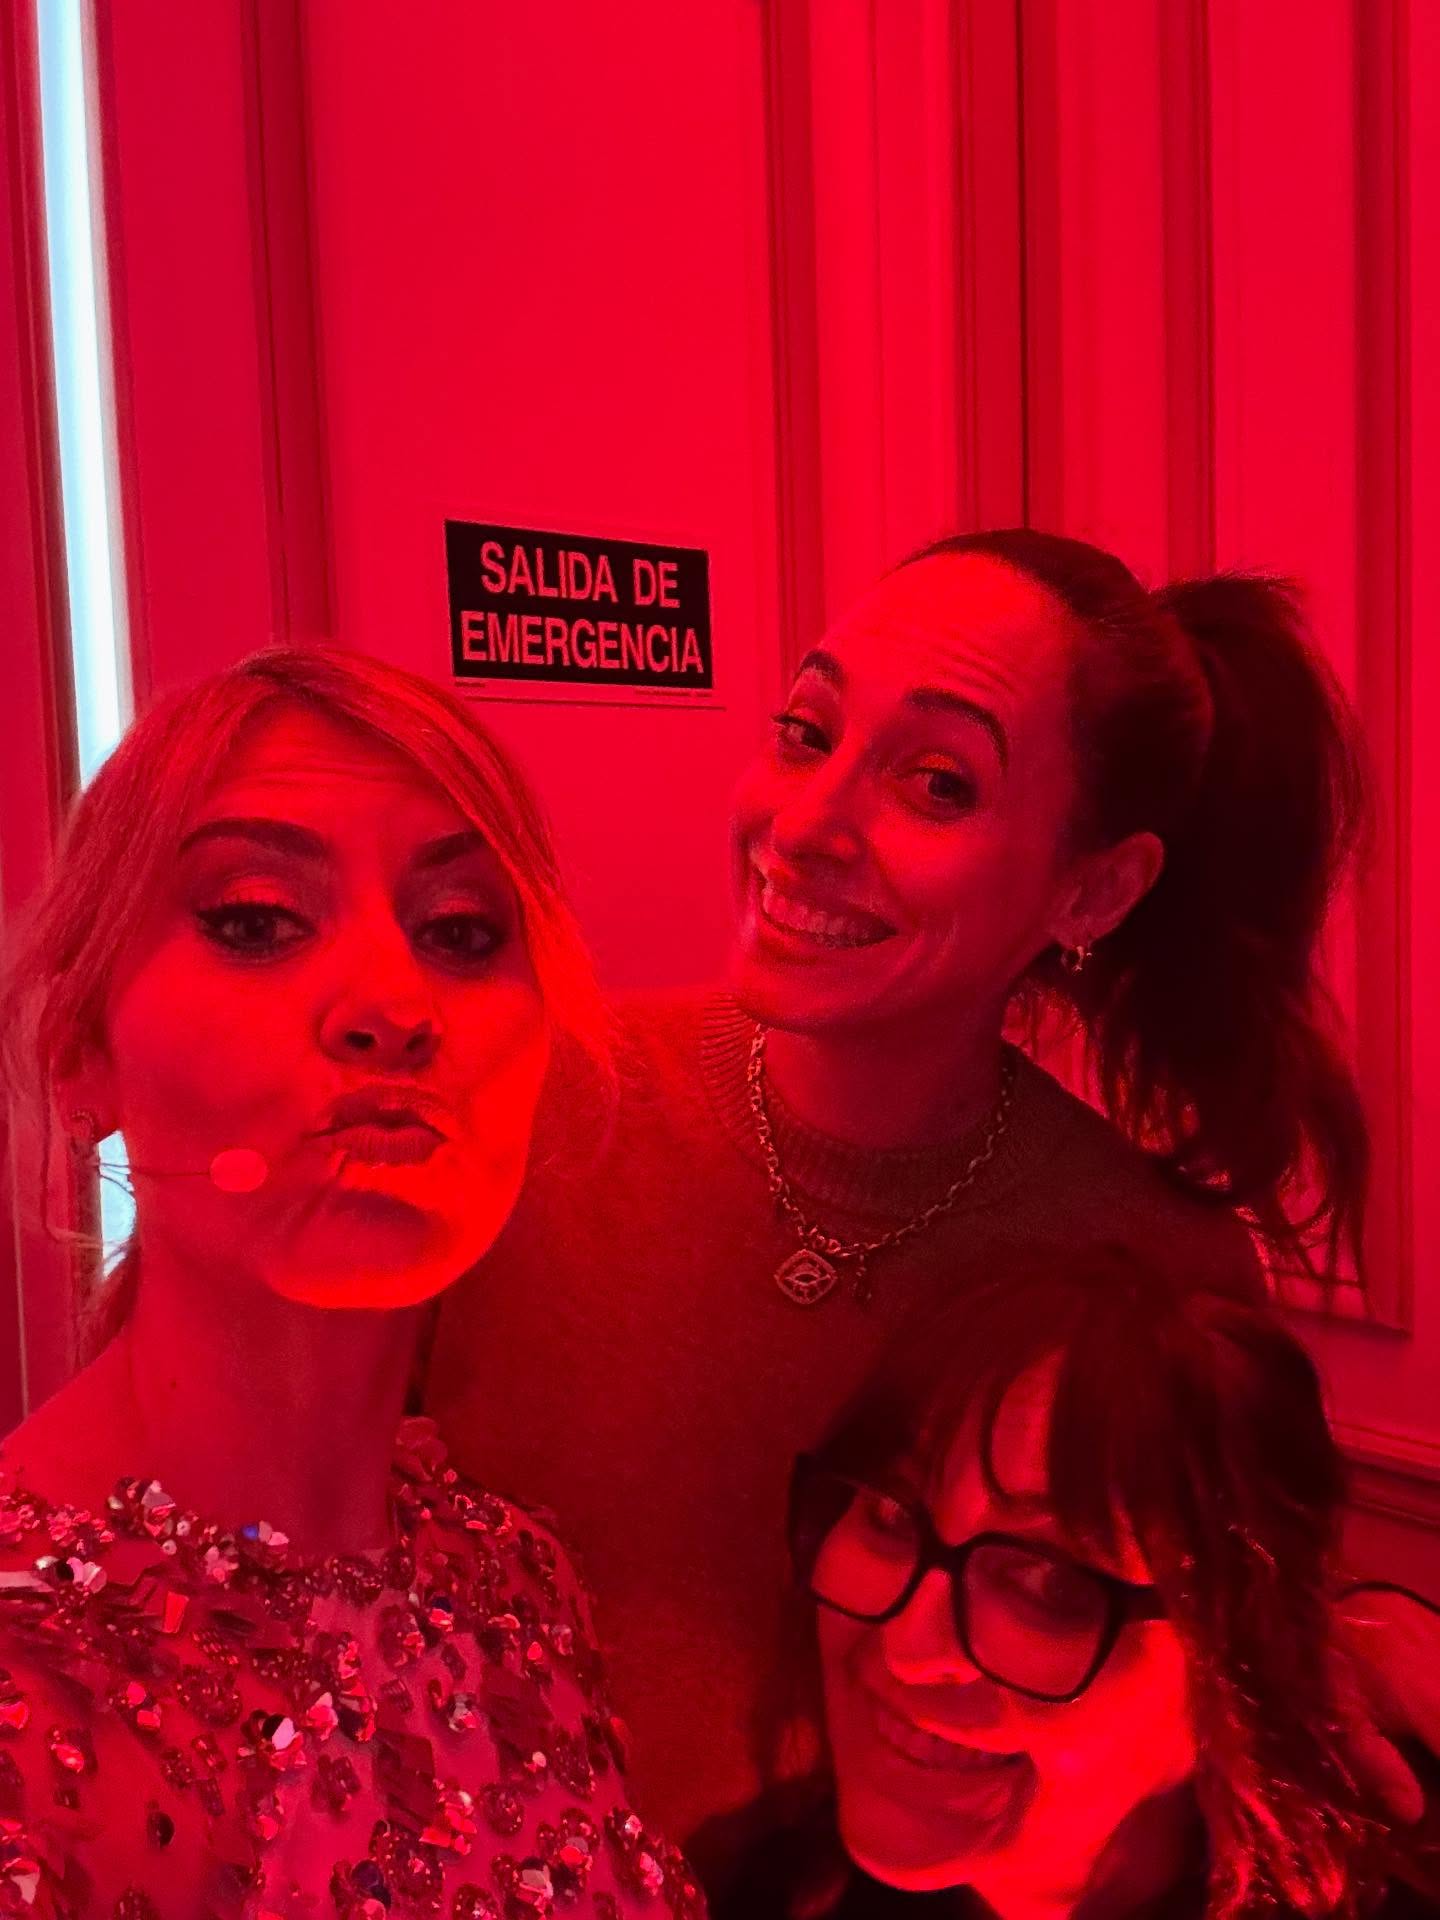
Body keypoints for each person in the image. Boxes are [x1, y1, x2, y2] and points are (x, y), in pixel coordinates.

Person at [426, 530, 1435, 1850]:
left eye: (939, 783)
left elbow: (1196, 1649)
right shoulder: (517, 1103)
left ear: (1096, 889)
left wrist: (1348, 1630)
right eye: (806, 733)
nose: (804, 826)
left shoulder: (1147, 1261)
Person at [0, 648, 702, 1917]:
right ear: (79, 1052)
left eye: (461, 933)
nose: (394, 1003)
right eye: (256, 919)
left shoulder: (515, 1578)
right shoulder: (23, 1680)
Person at [712, 1248, 1440, 1919]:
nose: (907, 1648)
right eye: (891, 1515)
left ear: (1238, 1663)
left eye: (1047, 1583)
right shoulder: (755, 1888)